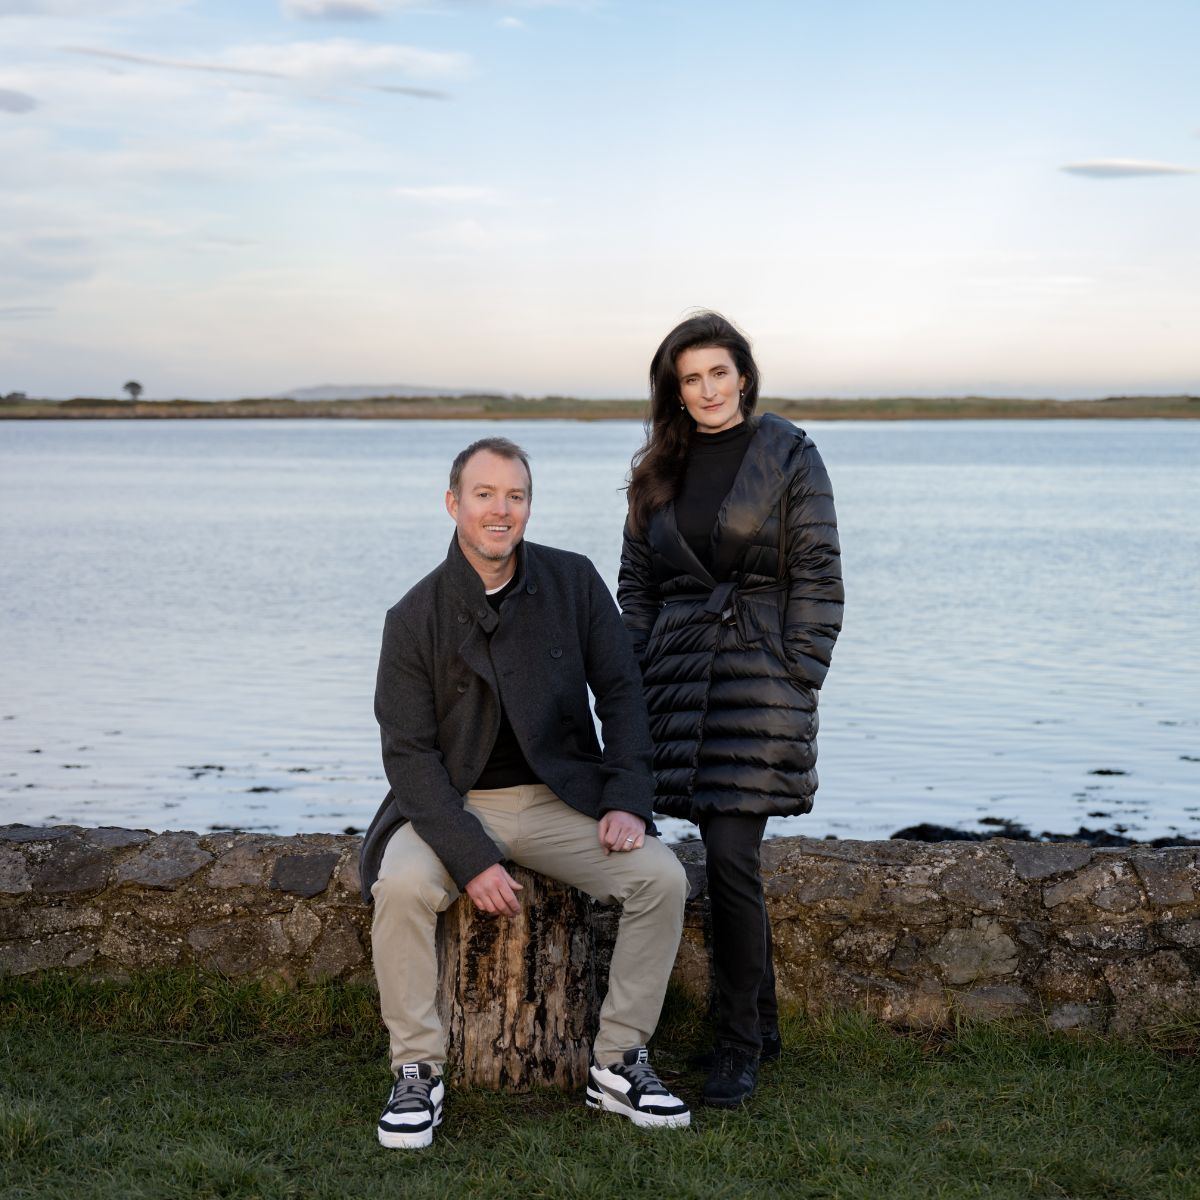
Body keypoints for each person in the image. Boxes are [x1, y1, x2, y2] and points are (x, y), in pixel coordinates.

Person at [359, 436, 691, 1149]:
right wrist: (471, 857)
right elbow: (408, 757)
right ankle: (417, 1069)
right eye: (484, 495)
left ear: (529, 506)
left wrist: (629, 797)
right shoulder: (412, 617)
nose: (500, 510)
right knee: (402, 888)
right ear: (454, 504)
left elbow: (624, 693)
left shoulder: (573, 582)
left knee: (661, 878)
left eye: (515, 495)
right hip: (456, 803)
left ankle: (619, 1064)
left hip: (562, 797)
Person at [618, 312, 843, 1108]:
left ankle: (736, 1045)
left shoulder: (788, 454)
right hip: (677, 678)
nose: (708, 390)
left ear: (743, 375)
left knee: (732, 856)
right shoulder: (657, 468)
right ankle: (766, 1024)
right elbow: (637, 589)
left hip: (760, 676)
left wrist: (798, 671)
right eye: (691, 378)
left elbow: (817, 569)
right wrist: (631, 679)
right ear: (673, 391)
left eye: (719, 372)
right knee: (722, 851)